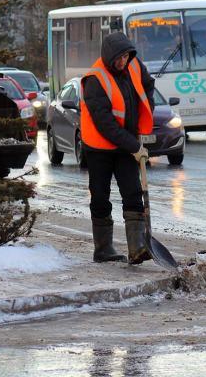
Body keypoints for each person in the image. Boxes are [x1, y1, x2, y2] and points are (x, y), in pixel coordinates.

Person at [81, 32, 155, 265]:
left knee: (133, 193)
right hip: (99, 148)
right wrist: (134, 145)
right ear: (108, 56)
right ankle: (103, 249)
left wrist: (146, 111)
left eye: (126, 56)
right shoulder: (95, 79)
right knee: (100, 197)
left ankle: (137, 248)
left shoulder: (134, 66)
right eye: (119, 58)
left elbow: (148, 85)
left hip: (125, 146)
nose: (123, 62)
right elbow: (106, 124)